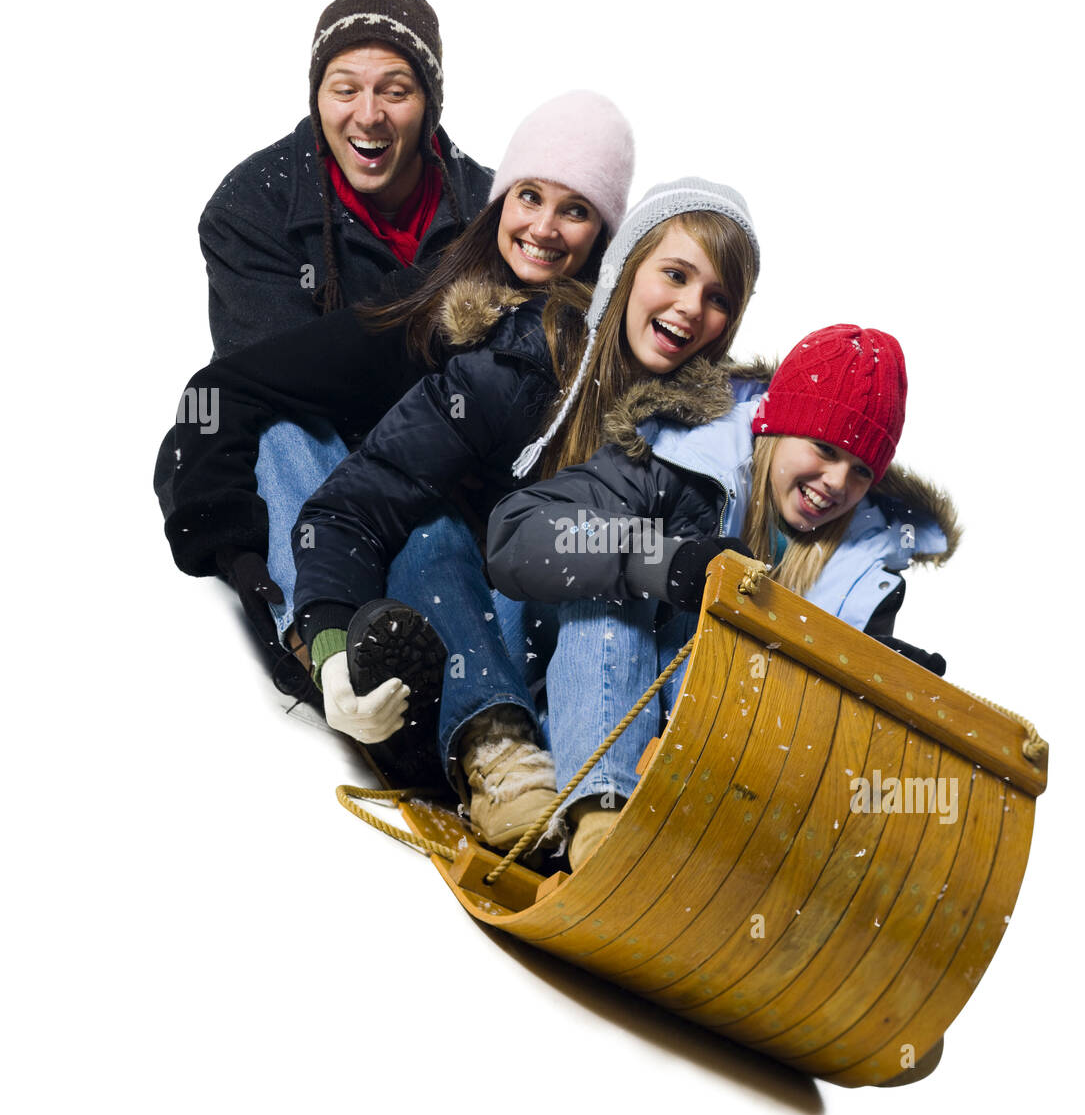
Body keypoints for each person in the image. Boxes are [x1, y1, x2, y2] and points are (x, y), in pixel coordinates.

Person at [289, 179, 761, 850]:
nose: (692, 309)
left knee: (623, 581)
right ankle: (499, 754)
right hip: (466, 631)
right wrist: (330, 656)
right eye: (676, 276)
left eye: (720, 299)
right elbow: (352, 508)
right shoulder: (514, 364)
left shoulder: (694, 434)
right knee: (430, 528)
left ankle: (630, 803)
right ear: (627, 269)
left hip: (591, 684)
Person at [157, 92, 634, 711]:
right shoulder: (428, 309)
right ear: (501, 201)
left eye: (576, 210)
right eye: (530, 196)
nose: (544, 228)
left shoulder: (616, 345)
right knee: (290, 433)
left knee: (450, 537)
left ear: (603, 235)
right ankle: (322, 645)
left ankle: (476, 718)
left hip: (527, 608)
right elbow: (229, 388)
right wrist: (239, 556)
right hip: (390, 578)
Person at [487, 323, 959, 868]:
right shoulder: (676, 462)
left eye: (860, 471)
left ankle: (695, 849)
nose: (835, 482)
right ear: (776, 427)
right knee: (615, 591)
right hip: (579, 697)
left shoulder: (865, 570)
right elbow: (517, 531)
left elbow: (820, 737)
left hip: (696, 758)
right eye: (824, 449)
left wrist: (880, 675)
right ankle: (600, 825)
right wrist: (663, 561)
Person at [202, 0, 494, 358]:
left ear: (430, 107)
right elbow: (275, 377)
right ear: (317, 99)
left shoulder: (497, 209)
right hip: (301, 411)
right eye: (345, 90)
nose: (369, 116)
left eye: (395, 92)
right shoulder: (250, 207)